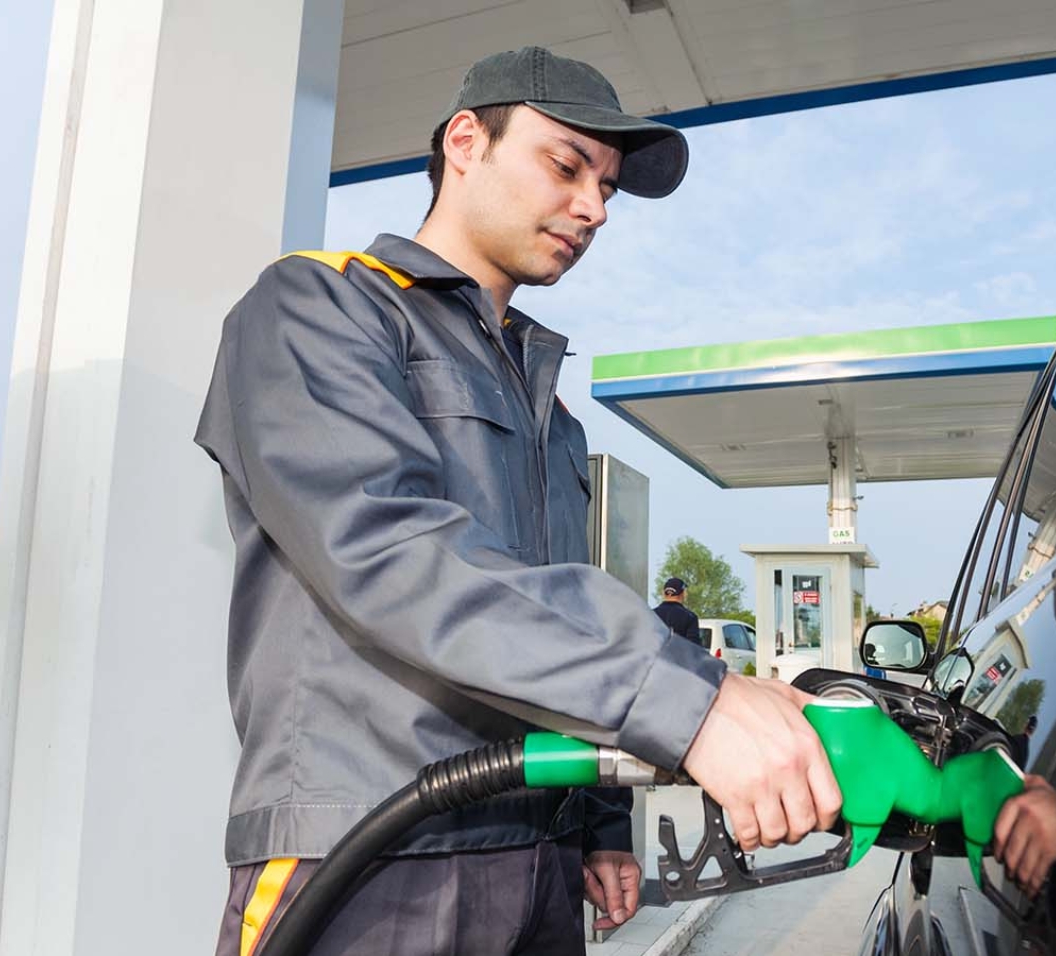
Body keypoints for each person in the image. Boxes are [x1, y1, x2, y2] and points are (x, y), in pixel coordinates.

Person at [195, 46, 841, 956]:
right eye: (566, 165)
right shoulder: (320, 308)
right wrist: (689, 699)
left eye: (608, 188)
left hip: (534, 857)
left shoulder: (555, 412)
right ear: (466, 141)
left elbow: (552, 598)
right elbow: (388, 553)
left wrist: (595, 824)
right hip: (371, 850)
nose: (593, 208)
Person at [652, 577, 703, 649]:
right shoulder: (690, 617)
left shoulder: (651, 614)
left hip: (654, 659)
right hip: (678, 659)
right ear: (684, 594)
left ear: (663, 593)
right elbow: (694, 648)